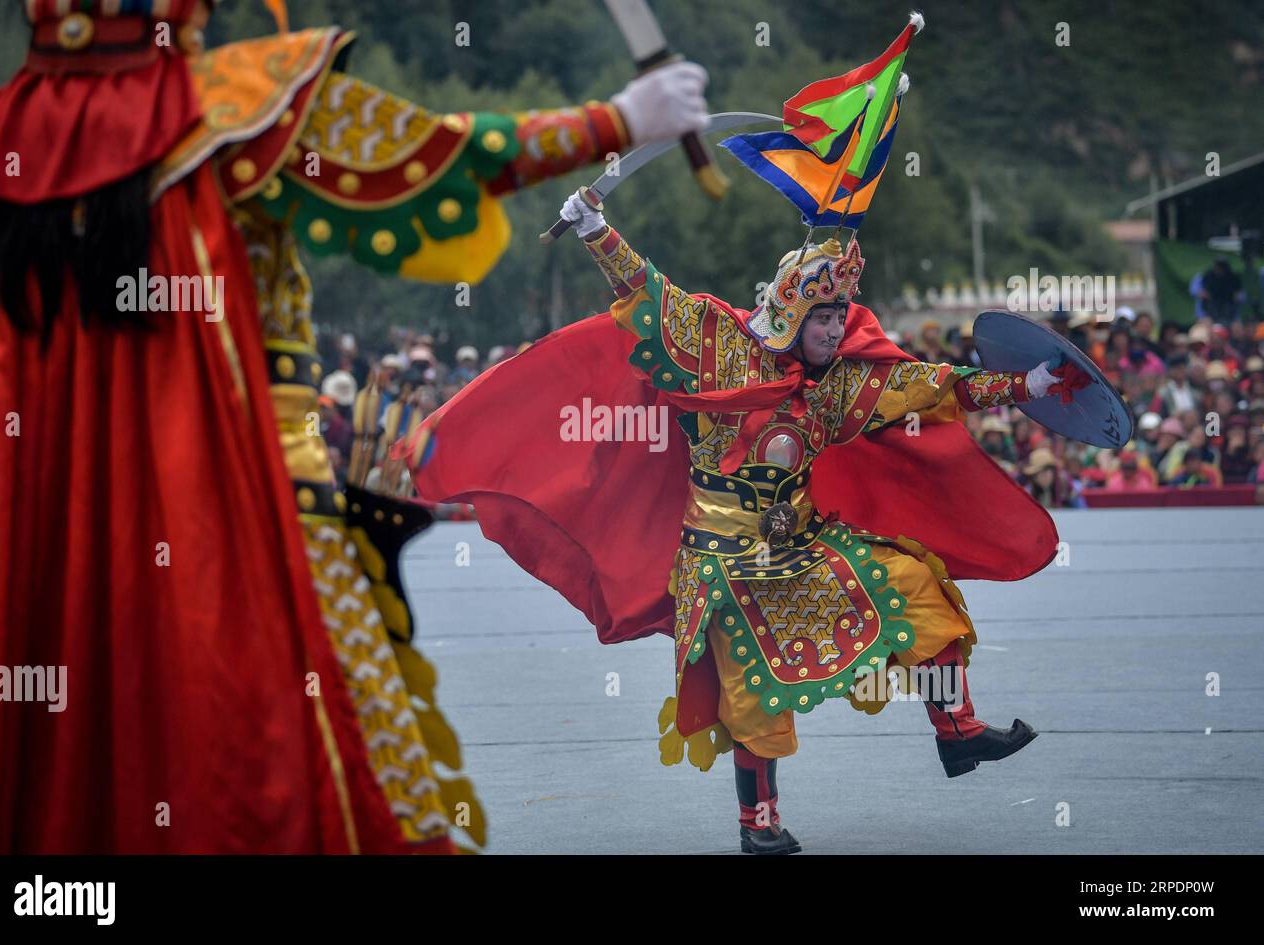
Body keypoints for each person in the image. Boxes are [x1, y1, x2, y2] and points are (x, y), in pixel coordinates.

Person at [0, 0, 709, 853]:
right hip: (244, 514)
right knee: (315, 764)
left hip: (24, 527)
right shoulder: (240, 107)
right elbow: (444, 155)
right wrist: (619, 119)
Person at [408, 189, 1094, 855]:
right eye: (822, 318)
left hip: (802, 543)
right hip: (721, 560)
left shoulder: (841, 384)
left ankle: (958, 730)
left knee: (915, 582)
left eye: (839, 316)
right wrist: (595, 229)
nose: (833, 329)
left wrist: (1025, 387)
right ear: (793, 313)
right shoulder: (717, 347)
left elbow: (936, 387)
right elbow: (648, 292)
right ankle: (757, 820)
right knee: (752, 685)